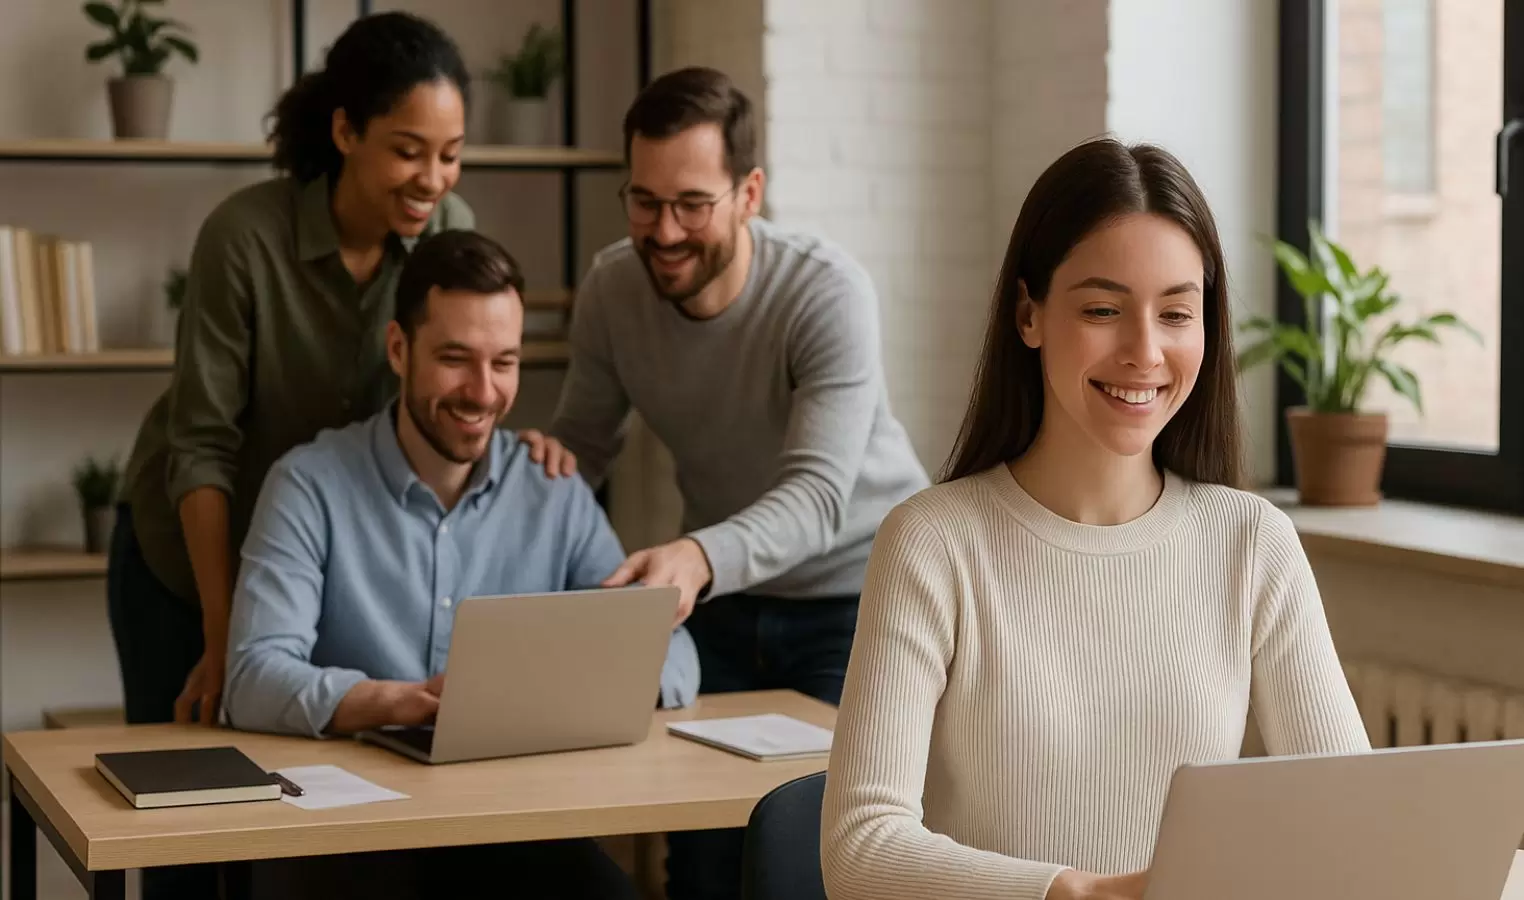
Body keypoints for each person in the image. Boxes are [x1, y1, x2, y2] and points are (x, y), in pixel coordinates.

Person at [818, 137, 1372, 900]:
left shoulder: (1252, 542)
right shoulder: (933, 543)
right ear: (1029, 314)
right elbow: (860, 850)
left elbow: (1354, 817)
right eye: (1105, 309)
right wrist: (1074, 894)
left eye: (1177, 312)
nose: (1146, 352)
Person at [522, 66, 930, 900]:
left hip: (857, 599)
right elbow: (585, 446)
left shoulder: (824, 292)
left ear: (749, 192)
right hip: (719, 603)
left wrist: (695, 558)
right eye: (643, 201)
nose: (663, 231)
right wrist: (532, 469)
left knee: (808, 852)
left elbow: (818, 498)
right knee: (699, 851)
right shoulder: (611, 289)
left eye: (691, 205)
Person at [106, 13, 489, 898]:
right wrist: (221, 632)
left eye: (451, 153)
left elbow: (460, 370)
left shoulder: (445, 228)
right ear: (345, 131)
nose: (432, 180)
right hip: (186, 556)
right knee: (186, 835)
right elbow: (201, 448)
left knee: (308, 814)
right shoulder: (244, 236)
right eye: (407, 150)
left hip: (306, 561)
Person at [223, 229, 695, 900]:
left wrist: (569, 696)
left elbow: (674, 655)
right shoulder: (308, 485)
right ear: (398, 350)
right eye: (455, 358)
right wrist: (394, 702)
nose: (482, 392)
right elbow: (251, 677)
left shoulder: (554, 491)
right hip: (357, 835)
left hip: (517, 828)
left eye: (504, 362)